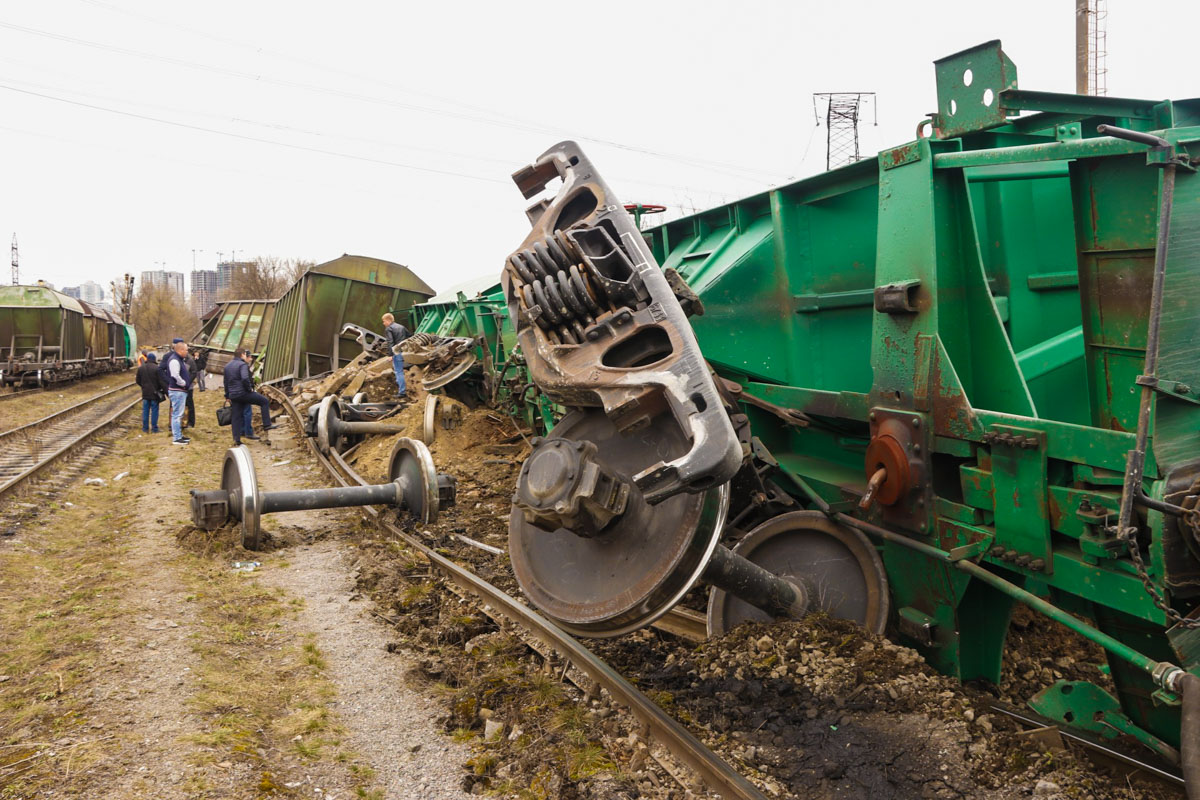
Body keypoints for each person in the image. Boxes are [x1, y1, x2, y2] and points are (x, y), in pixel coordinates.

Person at [223, 347, 273, 446]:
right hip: (243, 393)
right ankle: (267, 425)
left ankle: (236, 440)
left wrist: (227, 395)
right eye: (245, 354)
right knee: (264, 402)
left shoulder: (227, 366)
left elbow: (226, 382)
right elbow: (245, 378)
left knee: (236, 417)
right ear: (242, 355)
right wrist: (249, 388)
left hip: (233, 395)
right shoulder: (243, 365)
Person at [161, 338, 192, 445]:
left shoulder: (178, 359)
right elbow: (175, 375)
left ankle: (179, 436)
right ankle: (176, 438)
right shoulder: (174, 360)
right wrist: (183, 383)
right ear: (181, 350)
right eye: (186, 350)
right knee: (177, 415)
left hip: (179, 391)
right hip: (177, 390)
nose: (187, 352)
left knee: (179, 414)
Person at [135, 352, 166, 433]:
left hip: (145, 393)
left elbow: (137, 380)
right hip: (155, 393)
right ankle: (154, 428)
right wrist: (162, 390)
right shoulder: (157, 368)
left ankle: (145, 429)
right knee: (154, 411)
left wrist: (143, 386)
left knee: (145, 411)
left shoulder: (141, 368)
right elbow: (161, 381)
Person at [381, 312, 410, 399]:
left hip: (396, 353)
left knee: (399, 372)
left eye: (384, 321)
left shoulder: (389, 329)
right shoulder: (401, 327)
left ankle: (402, 392)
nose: (383, 323)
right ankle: (401, 390)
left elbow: (390, 342)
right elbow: (410, 336)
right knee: (399, 371)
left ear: (388, 320)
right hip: (404, 352)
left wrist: (390, 355)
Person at [184, 351, 198, 429]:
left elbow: (194, 372)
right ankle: (183, 421)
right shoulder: (179, 360)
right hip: (180, 387)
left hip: (188, 387)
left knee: (189, 404)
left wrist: (187, 382)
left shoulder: (190, 361)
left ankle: (190, 422)